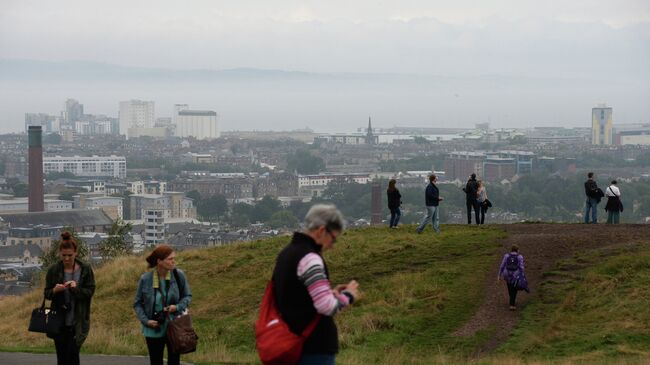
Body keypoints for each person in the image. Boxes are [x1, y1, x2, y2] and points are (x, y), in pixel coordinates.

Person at [272, 204, 360, 365]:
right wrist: (348, 296)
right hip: (313, 347)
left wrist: (331, 294)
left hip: (289, 343)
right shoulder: (310, 259)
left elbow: (297, 298)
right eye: (333, 238)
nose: (332, 245)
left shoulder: (285, 254)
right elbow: (326, 306)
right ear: (321, 231)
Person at [134, 244, 192, 365]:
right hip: (153, 328)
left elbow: (187, 296)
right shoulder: (145, 279)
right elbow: (137, 304)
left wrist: (177, 307)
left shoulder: (178, 275)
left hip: (174, 326)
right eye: (170, 259)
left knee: (174, 362)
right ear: (159, 261)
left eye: (173, 258)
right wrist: (146, 321)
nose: (173, 261)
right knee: (155, 362)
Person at [44, 231, 96, 365]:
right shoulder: (54, 270)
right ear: (59, 253)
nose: (66, 259)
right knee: (62, 358)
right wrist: (55, 290)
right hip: (59, 321)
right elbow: (46, 293)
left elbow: (90, 291)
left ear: (76, 253)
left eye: (70, 255)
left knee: (73, 356)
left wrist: (75, 289)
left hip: (77, 321)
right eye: (64, 255)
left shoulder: (85, 269)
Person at [497, 244, 527, 311]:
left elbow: (502, 265)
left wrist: (499, 275)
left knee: (510, 287)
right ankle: (512, 305)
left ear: (511, 250)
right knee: (514, 288)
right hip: (515, 275)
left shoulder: (506, 256)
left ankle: (511, 300)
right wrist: (522, 275)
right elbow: (521, 267)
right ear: (517, 250)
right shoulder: (520, 257)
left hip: (506, 274)